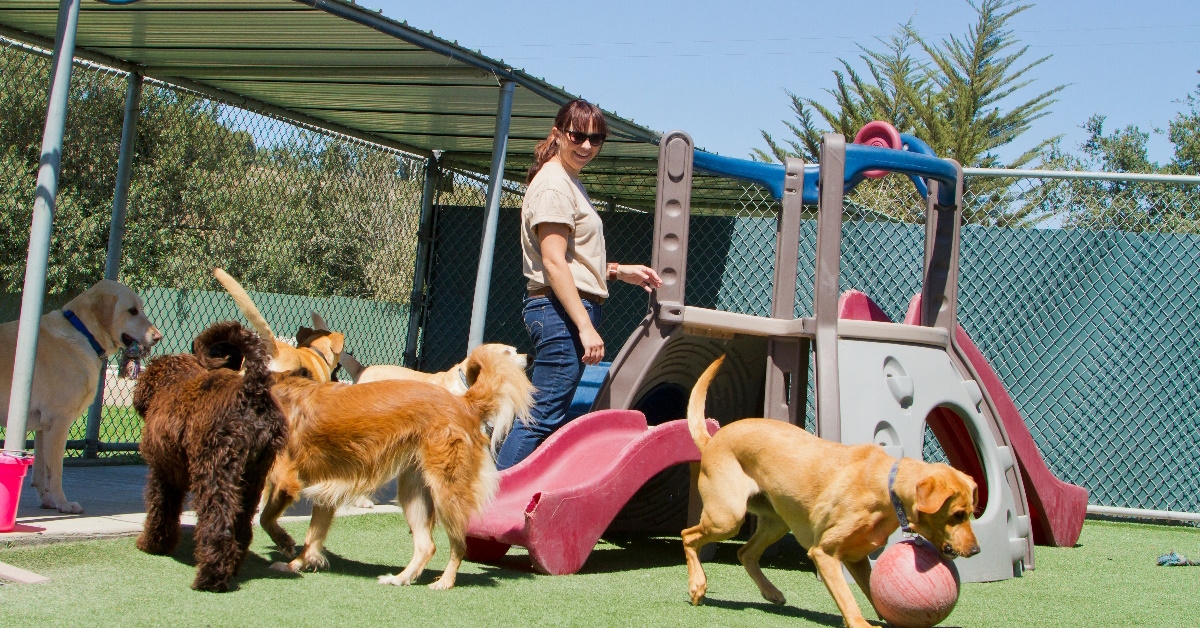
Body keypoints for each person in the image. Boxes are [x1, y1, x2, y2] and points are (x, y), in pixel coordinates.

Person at [495, 99, 662, 470]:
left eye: (596, 138)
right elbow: (553, 262)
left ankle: (500, 508)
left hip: (562, 310)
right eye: (577, 135)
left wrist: (618, 271)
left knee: (542, 416)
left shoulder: (568, 180)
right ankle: (490, 513)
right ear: (558, 134)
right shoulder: (554, 184)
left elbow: (570, 260)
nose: (586, 145)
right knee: (540, 419)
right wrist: (585, 327)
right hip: (559, 314)